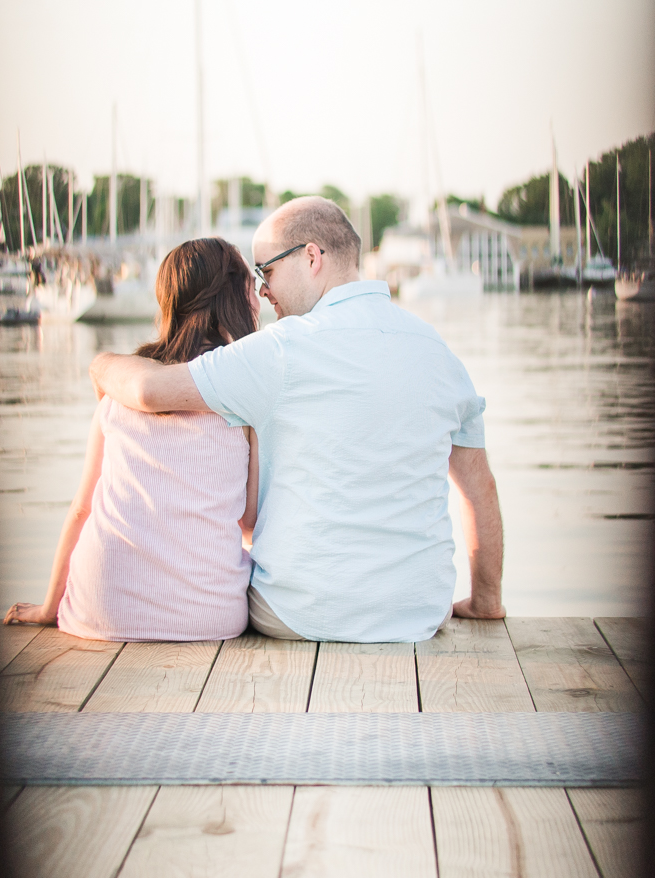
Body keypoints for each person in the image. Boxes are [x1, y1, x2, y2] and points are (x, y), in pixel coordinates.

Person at [89, 196, 505, 643]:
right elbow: (480, 489)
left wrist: (100, 365)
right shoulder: (437, 352)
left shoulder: (279, 350)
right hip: (421, 613)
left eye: (266, 272)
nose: (263, 292)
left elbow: (149, 391)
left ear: (311, 257)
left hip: (300, 614)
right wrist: (485, 600)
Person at [4, 238, 260, 641]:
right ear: (231, 296)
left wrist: (48, 607)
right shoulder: (245, 399)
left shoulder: (119, 392)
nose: (258, 294)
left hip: (98, 612)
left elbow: (81, 509)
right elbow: (248, 521)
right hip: (209, 617)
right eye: (250, 283)